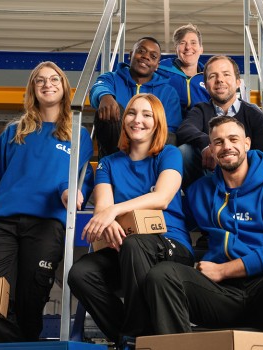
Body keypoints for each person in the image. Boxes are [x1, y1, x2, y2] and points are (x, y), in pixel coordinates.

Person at [144, 116, 263, 350]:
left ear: (247, 143)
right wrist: (120, 213)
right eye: (218, 142)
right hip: (220, 297)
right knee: (162, 275)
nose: (226, 147)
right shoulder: (199, 192)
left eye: (233, 139)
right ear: (211, 149)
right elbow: (173, 220)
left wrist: (224, 270)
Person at [0, 61, 94, 342]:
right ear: (33, 89)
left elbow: (83, 176)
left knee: (31, 301)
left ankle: (22, 344)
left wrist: (72, 190)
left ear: (64, 87)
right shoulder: (14, 132)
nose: (47, 84)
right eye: (40, 80)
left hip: (47, 226)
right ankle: (14, 347)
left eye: (54, 80)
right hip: (2, 225)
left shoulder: (78, 134)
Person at [68, 94, 194, 350]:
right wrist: (108, 216)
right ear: (124, 120)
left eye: (147, 115)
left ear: (157, 122)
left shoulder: (168, 154)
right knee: (81, 273)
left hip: (169, 246)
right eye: (132, 113)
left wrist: (113, 211)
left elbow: (162, 198)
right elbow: (102, 206)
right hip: (123, 247)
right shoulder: (108, 163)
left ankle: (136, 336)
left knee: (135, 244)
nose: (138, 120)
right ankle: (129, 335)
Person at [176, 55, 263, 189]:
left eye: (226, 74)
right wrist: (207, 145)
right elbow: (185, 129)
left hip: (245, 182)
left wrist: (235, 159)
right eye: (212, 76)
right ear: (205, 85)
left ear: (238, 82)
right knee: (184, 152)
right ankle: (198, 199)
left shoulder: (254, 114)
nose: (220, 80)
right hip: (209, 179)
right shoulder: (200, 110)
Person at [90, 37, 182, 158]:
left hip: (149, 154)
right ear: (131, 55)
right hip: (115, 150)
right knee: (112, 108)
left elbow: (170, 129)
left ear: (156, 65)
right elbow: (99, 88)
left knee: (171, 138)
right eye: (141, 51)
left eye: (153, 56)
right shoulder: (111, 78)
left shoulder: (168, 92)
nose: (146, 57)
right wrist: (105, 96)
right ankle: (118, 165)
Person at [157, 23, 210, 116]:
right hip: (168, 128)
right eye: (182, 43)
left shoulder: (209, 77)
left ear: (201, 49)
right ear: (176, 49)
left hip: (200, 129)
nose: (188, 47)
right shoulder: (160, 71)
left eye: (193, 43)